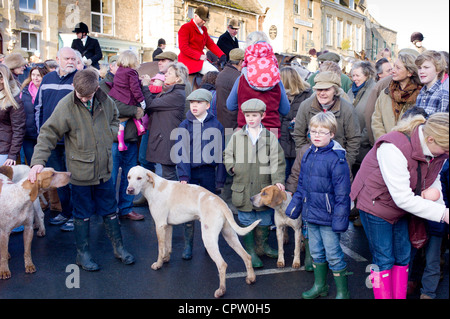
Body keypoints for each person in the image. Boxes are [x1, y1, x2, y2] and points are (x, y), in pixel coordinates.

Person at [28, 68, 135, 272]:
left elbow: (114, 118)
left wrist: (110, 133)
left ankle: (119, 248)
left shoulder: (106, 100)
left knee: (110, 209)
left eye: (88, 95)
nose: (84, 99)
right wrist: (38, 161)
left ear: (97, 88)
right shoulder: (66, 105)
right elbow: (48, 133)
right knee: (82, 213)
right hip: (79, 172)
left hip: (104, 169)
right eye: (80, 95)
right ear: (74, 88)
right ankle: (82, 254)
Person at [350, 112, 449, 299]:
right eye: (445, 149)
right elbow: (402, 199)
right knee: (383, 259)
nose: (447, 154)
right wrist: (443, 213)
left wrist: (441, 205)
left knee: (403, 256)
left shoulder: (437, 151)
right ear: (431, 139)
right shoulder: (393, 147)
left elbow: (433, 178)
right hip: (375, 205)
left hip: (400, 207)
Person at [286, 112, 351, 299]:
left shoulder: (337, 159)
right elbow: (302, 185)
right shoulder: (307, 154)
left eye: (322, 132)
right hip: (310, 215)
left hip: (329, 218)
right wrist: (295, 205)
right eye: (313, 131)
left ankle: (342, 292)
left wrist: (340, 220)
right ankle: (320, 286)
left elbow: (342, 195)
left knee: (333, 254)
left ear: (332, 134)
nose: (316, 135)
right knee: (315, 252)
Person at [224, 98, 286, 268]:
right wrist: (232, 167)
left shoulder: (270, 137)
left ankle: (263, 246)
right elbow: (227, 155)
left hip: (262, 185)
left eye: (254, 115)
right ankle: (250, 250)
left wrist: (278, 180)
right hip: (242, 187)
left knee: (264, 217)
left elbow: (277, 160)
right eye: (248, 115)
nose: (251, 119)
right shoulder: (236, 136)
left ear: (263, 115)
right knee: (246, 217)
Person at [174, 88, 226, 260]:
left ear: (208, 105)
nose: (194, 106)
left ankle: (209, 243)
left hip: (208, 173)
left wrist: (220, 179)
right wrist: (183, 177)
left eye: (199, 103)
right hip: (190, 174)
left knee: (208, 210)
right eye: (191, 103)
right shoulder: (184, 125)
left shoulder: (216, 125)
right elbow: (181, 153)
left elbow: (221, 152)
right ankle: (188, 244)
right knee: (188, 210)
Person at [34, 47, 78, 231]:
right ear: (57, 59)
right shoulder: (47, 79)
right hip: (51, 141)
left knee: (74, 179)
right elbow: (38, 108)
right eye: (67, 58)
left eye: (73, 59)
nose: (70, 61)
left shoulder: (79, 79)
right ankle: (65, 212)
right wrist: (41, 133)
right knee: (59, 180)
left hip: (71, 141)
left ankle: (77, 216)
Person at [100, 52, 145, 221]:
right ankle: (109, 210)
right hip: (113, 138)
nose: (120, 68)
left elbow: (142, 101)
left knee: (130, 176)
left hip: (131, 137)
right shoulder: (104, 85)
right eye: (116, 65)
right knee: (110, 178)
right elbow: (111, 107)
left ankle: (126, 208)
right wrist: (135, 111)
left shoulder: (132, 79)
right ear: (111, 67)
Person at [292, 71, 361, 171]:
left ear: (335, 91)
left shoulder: (347, 109)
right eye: (319, 89)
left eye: (327, 89)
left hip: (337, 163)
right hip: (310, 162)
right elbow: (298, 134)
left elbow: (353, 139)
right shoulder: (306, 106)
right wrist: (305, 157)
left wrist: (346, 163)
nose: (322, 93)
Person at [226, 31, 290, 138]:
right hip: (271, 135)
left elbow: (230, 106)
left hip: (246, 133)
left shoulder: (241, 80)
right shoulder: (276, 81)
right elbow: (285, 110)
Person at [143, 62, 187, 181]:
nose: (165, 75)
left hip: (168, 139)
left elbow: (151, 104)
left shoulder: (177, 94)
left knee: (169, 175)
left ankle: (174, 199)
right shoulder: (171, 91)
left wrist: (145, 86)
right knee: (165, 174)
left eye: (169, 73)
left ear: (178, 78)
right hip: (164, 137)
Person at [371, 51, 422, 142]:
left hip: (406, 149)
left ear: (410, 72)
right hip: (384, 145)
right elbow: (376, 121)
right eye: (394, 66)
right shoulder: (385, 93)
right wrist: (384, 141)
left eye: (398, 68)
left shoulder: (420, 96)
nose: (393, 70)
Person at [107, 50, 146, 152]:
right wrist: (141, 100)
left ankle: (121, 143)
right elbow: (135, 88)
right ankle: (140, 127)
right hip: (127, 98)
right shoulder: (131, 72)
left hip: (117, 96)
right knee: (135, 109)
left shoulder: (119, 71)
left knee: (121, 123)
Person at [279, 66, 312, 179]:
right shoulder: (278, 94)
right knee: (282, 178)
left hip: (299, 143)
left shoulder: (307, 95)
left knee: (297, 177)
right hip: (282, 145)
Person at [177, 5, 226, 75]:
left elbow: (210, 44)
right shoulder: (185, 27)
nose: (204, 22)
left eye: (205, 20)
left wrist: (221, 55)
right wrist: (199, 56)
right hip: (188, 60)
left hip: (200, 59)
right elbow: (183, 47)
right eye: (202, 19)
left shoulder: (204, 29)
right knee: (216, 74)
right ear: (195, 16)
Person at [347, 61, 377, 175]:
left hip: (364, 145)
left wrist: (361, 139)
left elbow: (371, 118)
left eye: (357, 75)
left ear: (367, 74)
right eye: (353, 75)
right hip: (350, 145)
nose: (354, 78)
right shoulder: (351, 91)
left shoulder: (374, 91)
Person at [19, 64, 50, 165]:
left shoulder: (48, 90)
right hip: (28, 133)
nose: (35, 78)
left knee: (44, 164)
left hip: (44, 133)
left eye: (38, 75)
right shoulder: (24, 90)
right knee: (31, 163)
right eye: (33, 75)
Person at [0, 64, 25, 167]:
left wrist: (12, 155)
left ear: (2, 79)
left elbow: (19, 130)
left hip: (4, 149)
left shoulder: (14, 100)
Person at [215, 48, 244, 132]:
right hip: (233, 124)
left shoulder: (221, 74)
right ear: (241, 62)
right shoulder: (238, 77)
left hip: (221, 121)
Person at [415, 50, 449, 115]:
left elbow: (442, 123)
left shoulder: (443, 95)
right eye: (419, 68)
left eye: (426, 67)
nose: (421, 71)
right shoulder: (421, 93)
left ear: (438, 69)